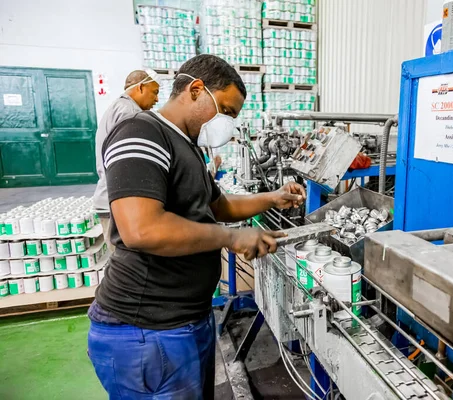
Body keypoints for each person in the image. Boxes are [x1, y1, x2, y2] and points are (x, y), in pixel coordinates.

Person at [87, 54, 306, 399]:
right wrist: (231, 237)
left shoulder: (186, 145)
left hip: (186, 320)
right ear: (196, 89)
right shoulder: (141, 131)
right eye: (227, 111)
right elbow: (141, 228)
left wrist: (272, 197)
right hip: (147, 329)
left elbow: (217, 205)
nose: (229, 123)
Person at [91, 69, 160, 251]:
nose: (157, 99)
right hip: (118, 204)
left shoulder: (119, 108)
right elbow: (131, 165)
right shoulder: (128, 112)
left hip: (111, 199)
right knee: (124, 265)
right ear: (141, 88)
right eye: (155, 92)